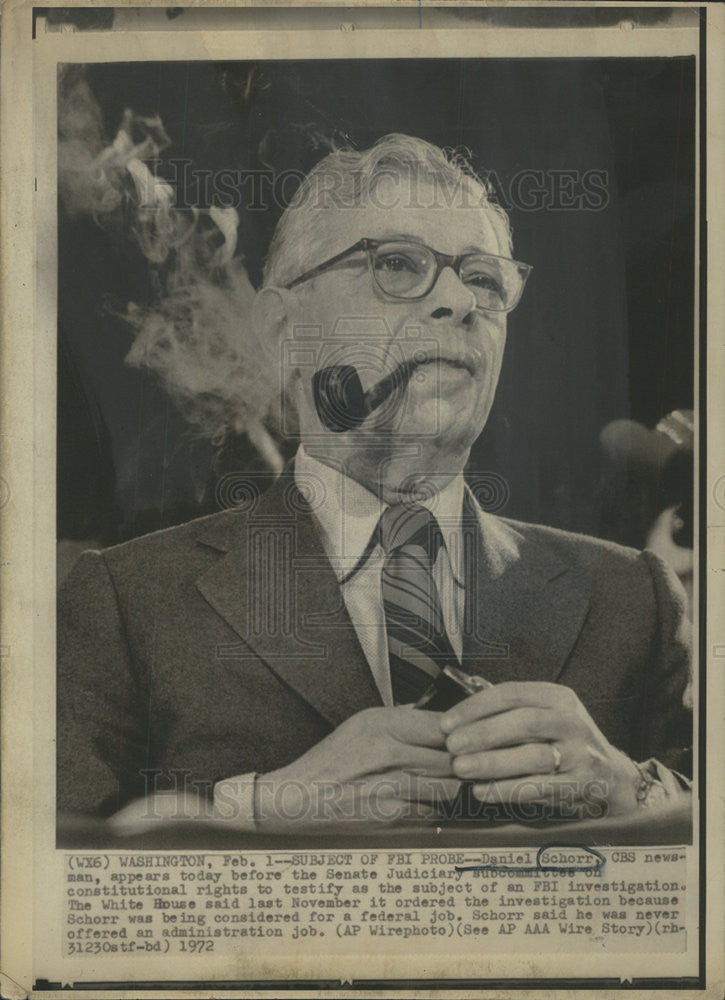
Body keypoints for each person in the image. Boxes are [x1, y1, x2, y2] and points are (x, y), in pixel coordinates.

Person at [57, 134, 692, 836]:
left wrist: (629, 790)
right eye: (396, 265)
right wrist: (264, 808)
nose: (458, 300)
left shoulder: (635, 596)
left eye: (483, 278)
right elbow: (47, 884)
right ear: (282, 329)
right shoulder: (126, 601)